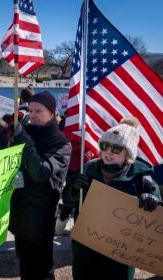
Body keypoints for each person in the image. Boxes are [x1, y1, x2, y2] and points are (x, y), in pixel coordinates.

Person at [64, 117, 161, 280]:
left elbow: (156, 219)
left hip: (119, 255)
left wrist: (152, 200)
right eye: (104, 145)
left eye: (116, 148)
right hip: (86, 248)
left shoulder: (141, 177)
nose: (108, 151)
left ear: (128, 153)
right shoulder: (88, 168)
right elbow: (67, 201)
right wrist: (74, 188)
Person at [10, 91, 72, 279]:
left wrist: (25, 143)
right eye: (30, 110)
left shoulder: (61, 142)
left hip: (40, 216)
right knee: (24, 262)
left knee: (42, 268)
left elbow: (41, 172)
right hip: (20, 210)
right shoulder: (26, 132)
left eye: (39, 111)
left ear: (52, 113)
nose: (33, 115)